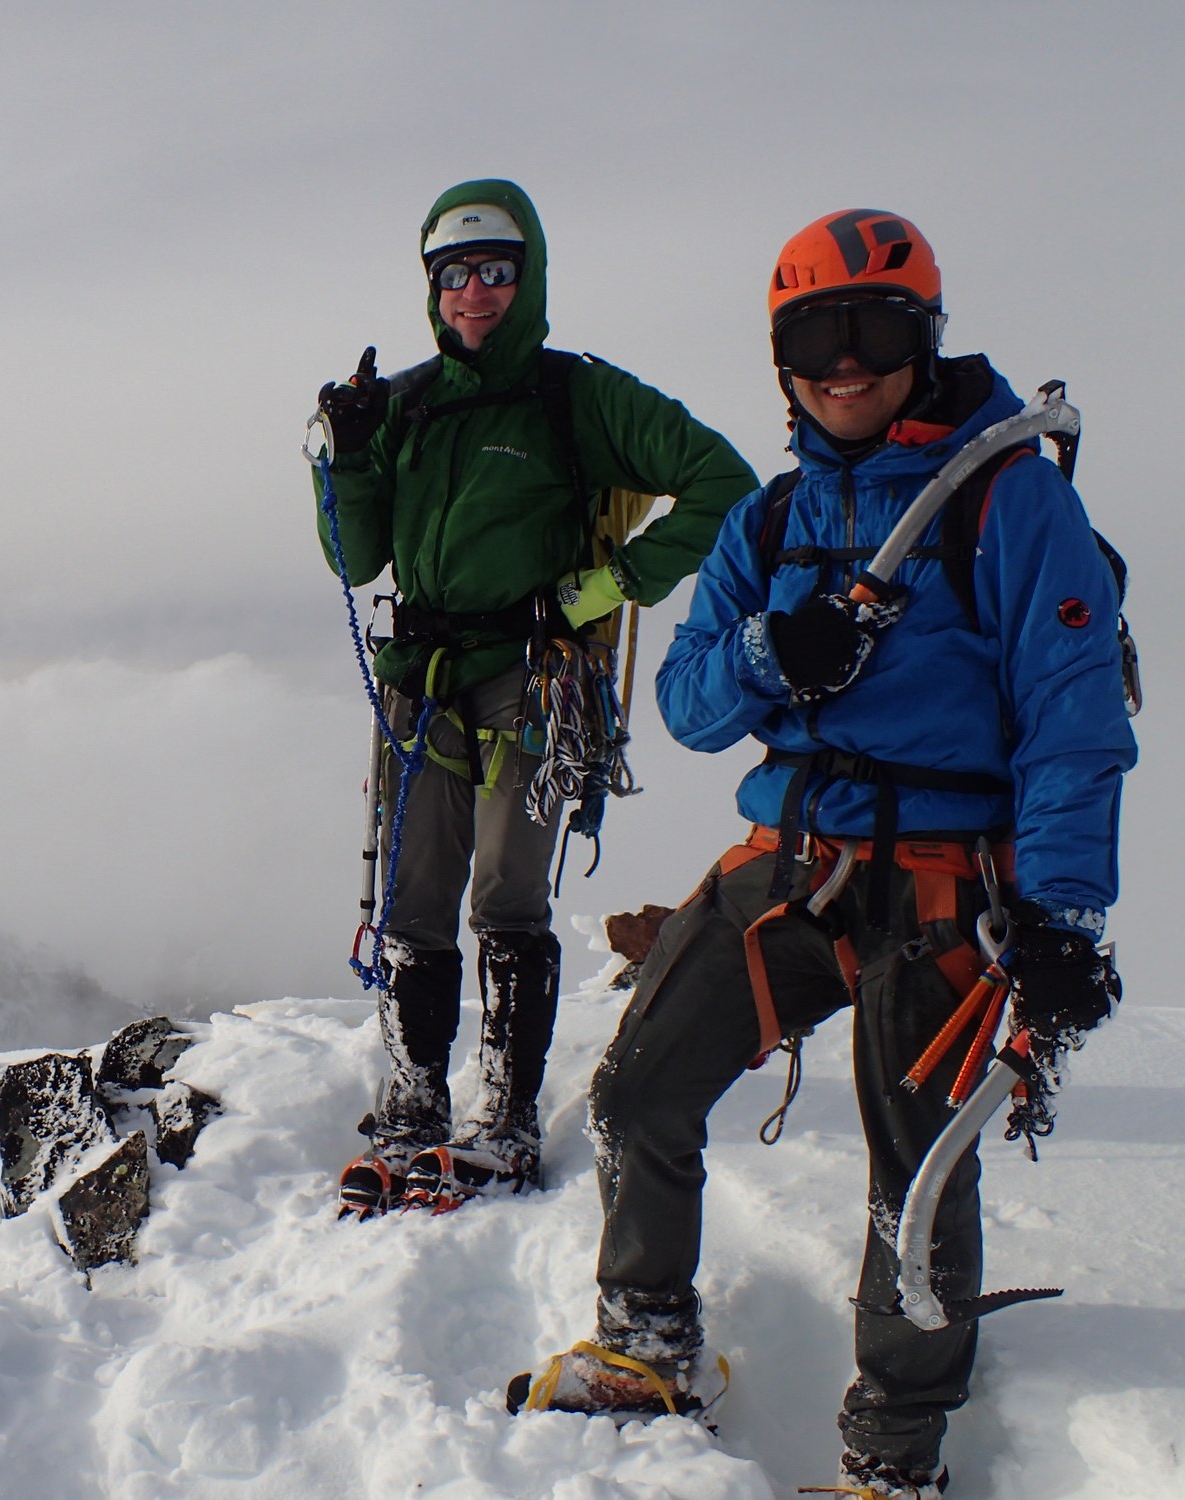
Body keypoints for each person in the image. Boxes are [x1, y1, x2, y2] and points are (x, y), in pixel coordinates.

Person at [534, 210, 1136, 1499]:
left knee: (913, 1173)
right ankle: (647, 1345)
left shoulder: (1005, 503)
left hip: (941, 876)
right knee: (635, 1089)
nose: (843, 363)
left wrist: (1062, 915)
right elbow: (691, 706)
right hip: (792, 859)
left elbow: (1072, 714)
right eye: (814, 334)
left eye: (872, 328)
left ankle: (891, 1460)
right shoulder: (767, 525)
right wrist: (774, 654)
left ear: (921, 339)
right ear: (781, 358)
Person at [310, 179, 756, 1217]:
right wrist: (341, 460)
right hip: (423, 681)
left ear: (528, 275)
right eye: (453, 274)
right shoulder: (407, 406)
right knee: (413, 899)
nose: (474, 293)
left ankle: (502, 1119)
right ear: (430, 287)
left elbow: (721, 481)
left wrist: (609, 585)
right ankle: (416, 1102)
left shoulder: (575, 396)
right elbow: (356, 553)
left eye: (495, 271)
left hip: (531, 673)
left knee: (505, 890)